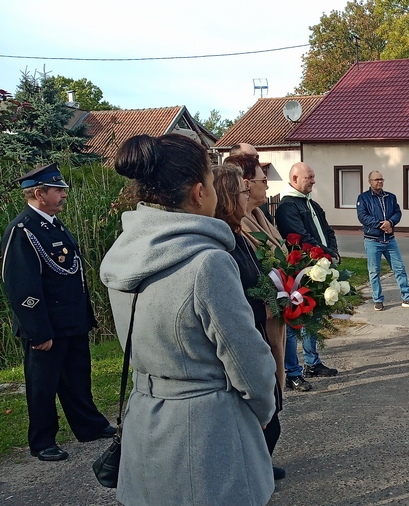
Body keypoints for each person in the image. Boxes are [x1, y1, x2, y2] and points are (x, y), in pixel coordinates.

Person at [99, 134, 276, 505]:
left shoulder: (122, 252)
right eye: (212, 182)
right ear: (199, 193)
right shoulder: (207, 262)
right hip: (207, 431)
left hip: (145, 418)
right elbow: (245, 357)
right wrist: (264, 409)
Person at [0, 163, 115, 462]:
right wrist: (38, 331)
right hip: (46, 325)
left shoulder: (52, 223)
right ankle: (42, 441)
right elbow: (21, 285)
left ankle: (89, 425)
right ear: (39, 193)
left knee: (77, 377)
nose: (64, 194)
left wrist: (83, 317)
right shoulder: (23, 230)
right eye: (58, 190)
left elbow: (70, 274)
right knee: (43, 386)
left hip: (70, 320)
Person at [212, 163, 288, 481]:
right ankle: (248, 475)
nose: (248, 194)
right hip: (243, 337)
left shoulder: (238, 233)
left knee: (271, 416)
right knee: (261, 416)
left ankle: (257, 468)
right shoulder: (222, 242)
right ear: (229, 197)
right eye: (243, 190)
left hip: (258, 328)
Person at [223, 153, 312, 392]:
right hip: (260, 315)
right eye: (263, 180)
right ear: (246, 184)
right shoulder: (235, 228)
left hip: (276, 313)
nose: (267, 185)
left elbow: (281, 254)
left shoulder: (260, 215)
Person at [274, 162, 339, 378]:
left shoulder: (312, 204)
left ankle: (312, 362)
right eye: (308, 177)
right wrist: (327, 253)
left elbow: (328, 231)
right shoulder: (287, 207)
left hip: (320, 266)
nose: (313, 180)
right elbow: (301, 237)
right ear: (294, 179)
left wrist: (333, 253)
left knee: (314, 318)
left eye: (313, 176)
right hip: (301, 271)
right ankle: (293, 370)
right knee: (298, 320)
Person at [356, 170, 409, 311]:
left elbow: (397, 213)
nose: (379, 181)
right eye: (376, 179)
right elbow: (363, 217)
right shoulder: (363, 198)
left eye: (381, 179)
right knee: (374, 271)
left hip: (390, 240)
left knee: (399, 268)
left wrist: (390, 222)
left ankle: (407, 297)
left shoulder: (390, 197)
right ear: (370, 181)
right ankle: (377, 300)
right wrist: (382, 224)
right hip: (372, 240)